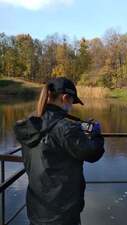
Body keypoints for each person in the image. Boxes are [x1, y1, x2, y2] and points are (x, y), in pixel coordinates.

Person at [14, 77, 105, 225]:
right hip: (63, 213)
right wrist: (96, 134)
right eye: (72, 102)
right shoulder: (66, 129)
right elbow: (92, 153)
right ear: (65, 98)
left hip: (37, 210)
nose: (71, 106)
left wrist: (78, 130)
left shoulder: (30, 123)